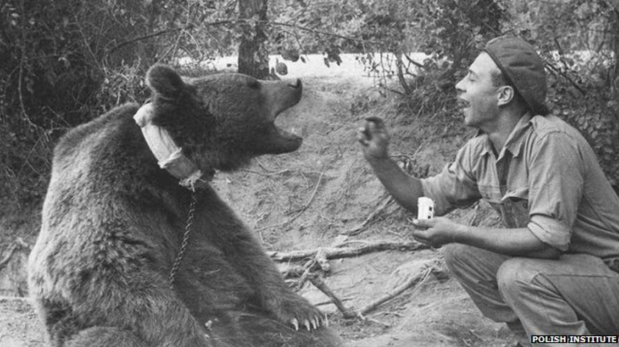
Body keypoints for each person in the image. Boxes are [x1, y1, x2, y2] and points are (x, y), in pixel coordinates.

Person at [357, 35, 619, 346]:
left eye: (471, 78)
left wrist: (457, 231)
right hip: (568, 278)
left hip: (608, 280)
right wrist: (380, 160)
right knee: (461, 255)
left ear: (504, 94)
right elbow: (426, 198)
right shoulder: (481, 150)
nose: (459, 85)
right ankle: (538, 338)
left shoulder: (552, 141)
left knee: (518, 275)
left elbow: (547, 244)